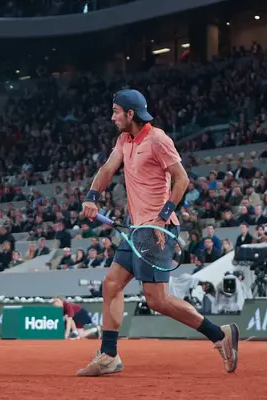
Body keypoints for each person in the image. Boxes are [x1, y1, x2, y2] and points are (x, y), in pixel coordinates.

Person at [78, 89, 239, 377]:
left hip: (155, 229)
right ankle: (109, 355)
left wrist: (163, 218)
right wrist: (92, 196)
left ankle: (220, 334)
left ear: (130, 114)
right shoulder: (123, 140)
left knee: (157, 300)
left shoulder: (158, 139)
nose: (112, 117)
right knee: (111, 285)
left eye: (116, 112)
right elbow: (106, 168)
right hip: (136, 227)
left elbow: (182, 178)